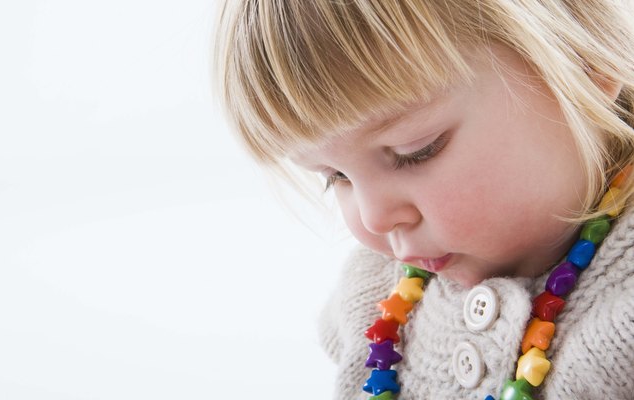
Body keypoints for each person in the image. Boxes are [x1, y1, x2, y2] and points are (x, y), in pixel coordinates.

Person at [213, 0, 634, 398]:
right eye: (336, 177)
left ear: (585, 62)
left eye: (416, 150)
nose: (374, 219)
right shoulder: (370, 303)